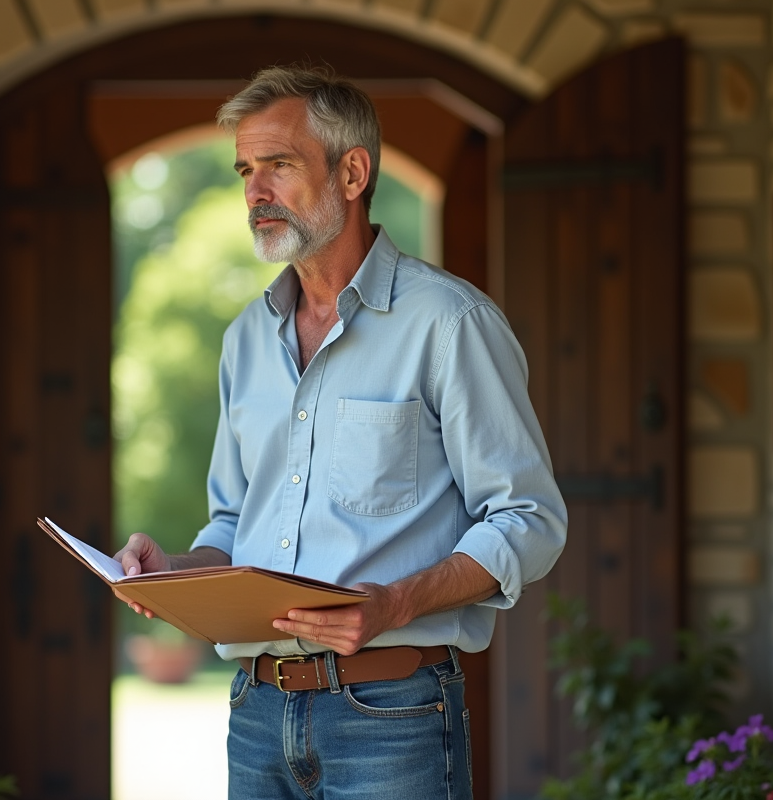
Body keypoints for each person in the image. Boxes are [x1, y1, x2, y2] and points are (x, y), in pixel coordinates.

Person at [113, 65, 567, 800]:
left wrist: (395, 603)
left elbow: (529, 518)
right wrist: (174, 572)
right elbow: (233, 524)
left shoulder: (450, 325)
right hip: (256, 713)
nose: (255, 192)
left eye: (279, 165)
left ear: (352, 173)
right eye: (246, 171)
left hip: (392, 716)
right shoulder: (245, 341)